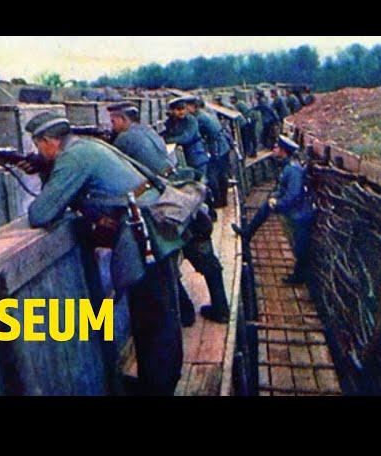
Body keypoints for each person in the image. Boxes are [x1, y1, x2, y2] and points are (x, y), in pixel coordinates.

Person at [21, 111, 186, 395]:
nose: (38, 152)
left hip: (144, 233)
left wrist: (49, 169)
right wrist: (45, 167)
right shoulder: (86, 146)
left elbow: (41, 213)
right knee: (158, 314)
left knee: (152, 317)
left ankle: (157, 389)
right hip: (155, 226)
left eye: (38, 146)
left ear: (49, 141)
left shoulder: (72, 158)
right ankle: (157, 384)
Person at [108, 102, 230, 326]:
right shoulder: (148, 131)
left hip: (166, 203)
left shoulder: (124, 139)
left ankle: (185, 313)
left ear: (124, 120)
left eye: (114, 121)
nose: (112, 126)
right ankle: (221, 308)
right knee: (204, 256)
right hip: (181, 190)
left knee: (168, 258)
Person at [232, 136, 315, 285]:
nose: (274, 149)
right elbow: (280, 187)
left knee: (300, 248)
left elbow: (294, 194)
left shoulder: (292, 170)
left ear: (283, 151)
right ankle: (248, 233)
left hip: (300, 214)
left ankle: (299, 277)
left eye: (276, 147)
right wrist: (274, 197)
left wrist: (277, 204)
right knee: (266, 207)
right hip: (295, 211)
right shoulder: (287, 166)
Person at [185, 96, 231, 208]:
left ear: (193, 107)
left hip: (216, 148)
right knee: (222, 175)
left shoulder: (198, 119)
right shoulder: (205, 114)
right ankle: (223, 200)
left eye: (187, 107)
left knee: (212, 176)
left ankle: (218, 201)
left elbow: (192, 135)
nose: (185, 110)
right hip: (223, 146)